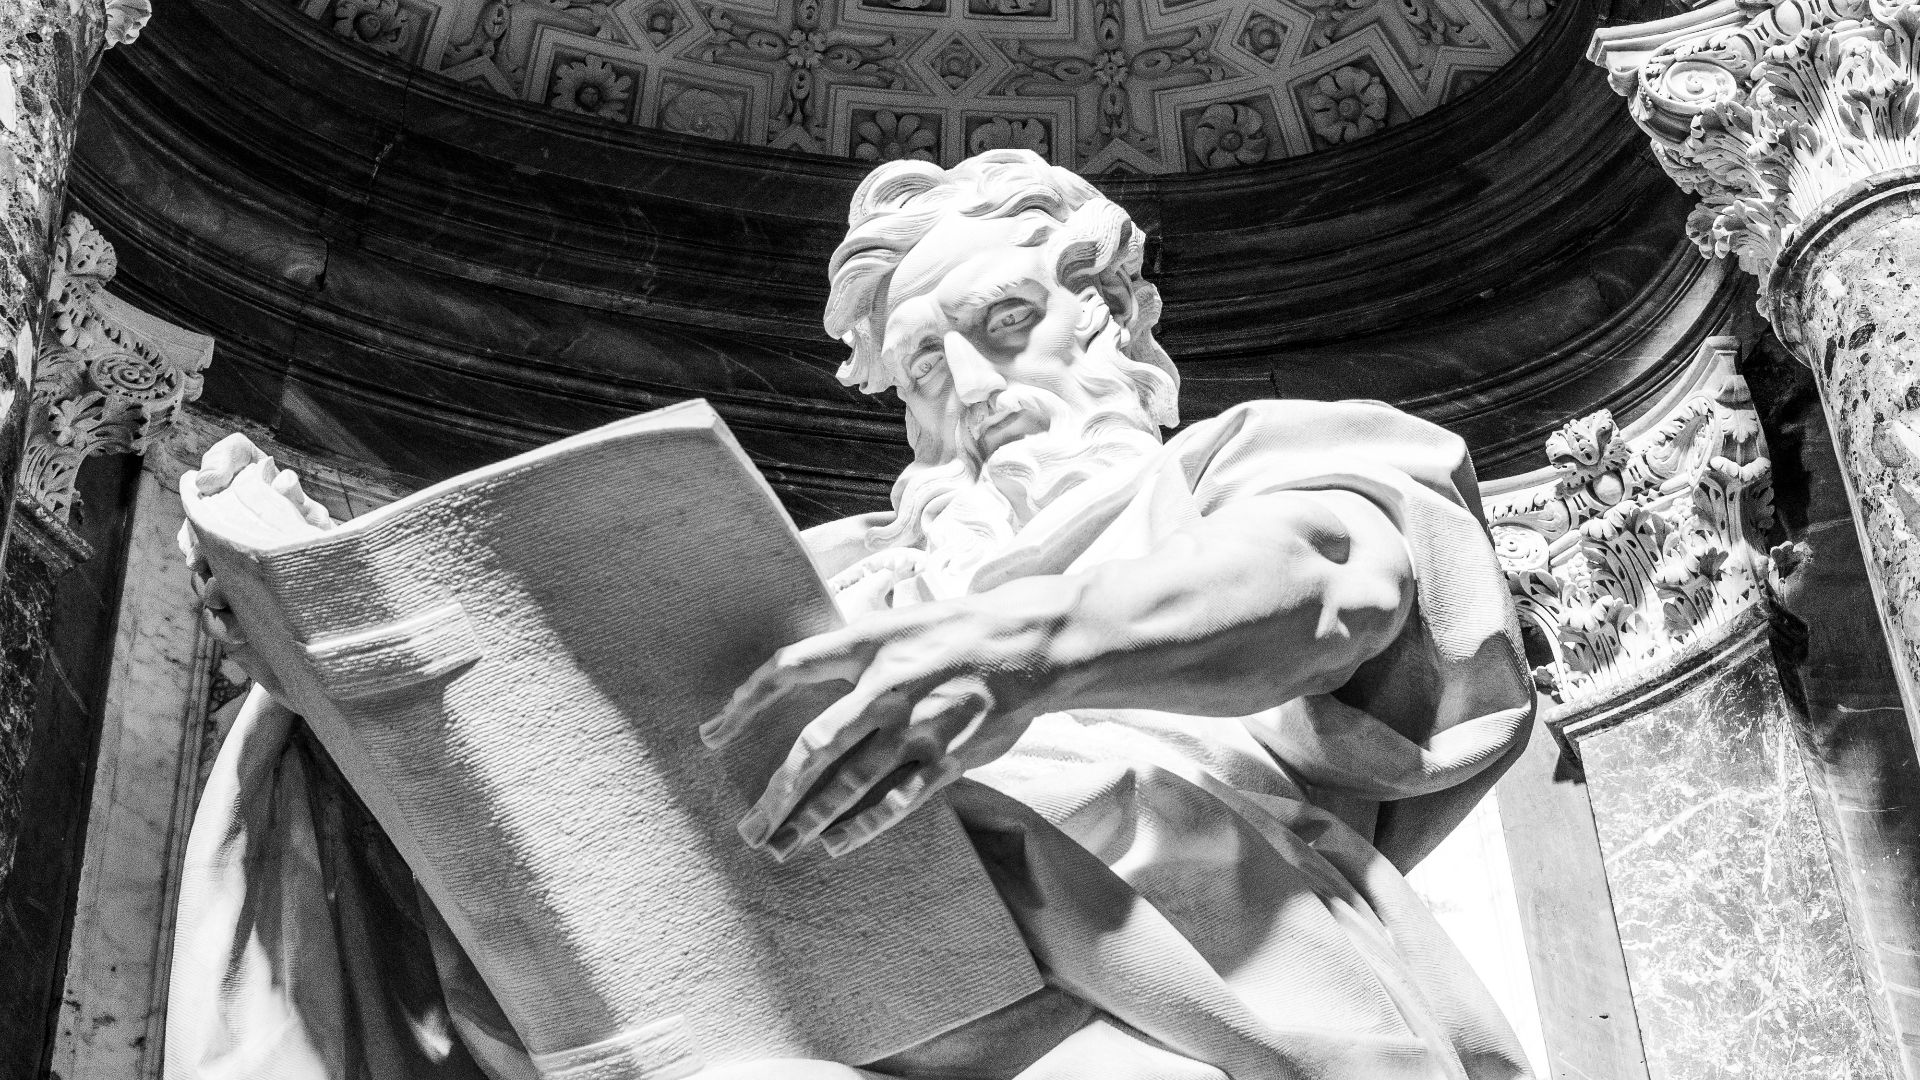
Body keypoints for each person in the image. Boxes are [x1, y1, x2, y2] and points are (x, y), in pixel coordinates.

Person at [171, 150, 1537, 1080]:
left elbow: (1329, 586)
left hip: (1187, 991)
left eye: (1002, 323)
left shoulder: (1241, 467)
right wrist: (333, 674)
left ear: (1119, 318)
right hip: (799, 1013)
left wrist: (1023, 657)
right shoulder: (840, 582)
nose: (973, 391)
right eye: (926, 369)